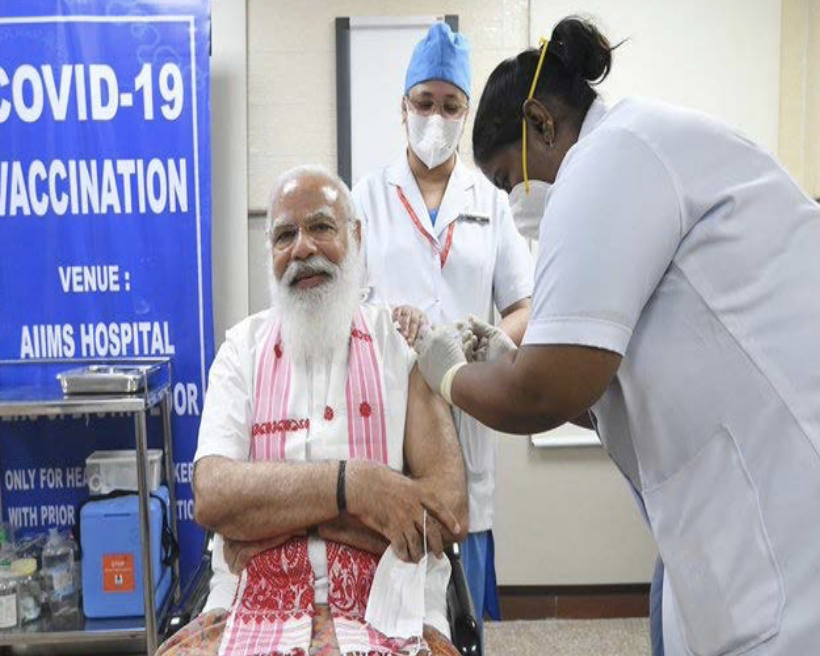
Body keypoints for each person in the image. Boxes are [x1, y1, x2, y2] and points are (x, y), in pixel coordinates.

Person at [413, 15, 820, 656]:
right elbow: (596, 395)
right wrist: (508, 356)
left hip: (783, 509)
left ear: (541, 122)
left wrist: (451, 374)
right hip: (719, 496)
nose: (514, 200)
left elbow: (539, 398)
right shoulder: (636, 151)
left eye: (505, 177)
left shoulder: (612, 157)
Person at [156, 165, 468, 656]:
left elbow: (448, 511)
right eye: (285, 235)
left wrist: (278, 518)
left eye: (321, 227)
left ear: (357, 237)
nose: (302, 248)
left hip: (389, 609)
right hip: (249, 607)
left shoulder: (401, 346)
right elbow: (214, 497)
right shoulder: (241, 350)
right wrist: (359, 487)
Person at [352, 22, 534, 629]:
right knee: (387, 605)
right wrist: (384, 321)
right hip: (387, 415)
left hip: (468, 409)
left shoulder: (490, 199)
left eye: (450, 105)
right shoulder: (365, 200)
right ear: (403, 108)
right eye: (424, 102)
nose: (436, 116)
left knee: (460, 601)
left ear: (466, 113)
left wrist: (490, 339)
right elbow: (344, 311)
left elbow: (526, 303)